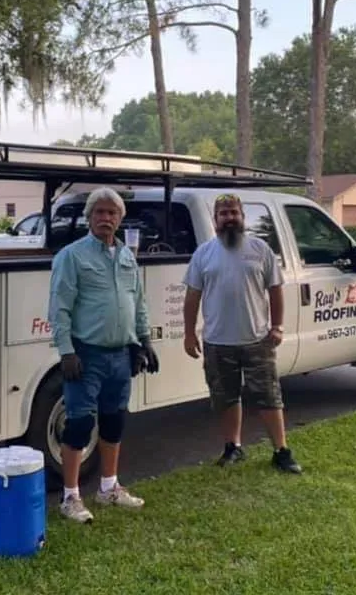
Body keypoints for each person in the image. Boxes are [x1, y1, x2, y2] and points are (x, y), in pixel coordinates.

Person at [48, 187, 160, 524]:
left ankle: (109, 488)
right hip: (86, 354)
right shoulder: (72, 256)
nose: (106, 218)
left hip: (120, 354)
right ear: (89, 217)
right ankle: (70, 497)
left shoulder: (127, 256)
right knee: (80, 424)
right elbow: (59, 308)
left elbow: (138, 302)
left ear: (120, 219)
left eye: (112, 213)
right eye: (99, 212)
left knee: (114, 421)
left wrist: (144, 341)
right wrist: (66, 351)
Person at [182, 193, 302, 474]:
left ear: (242, 217)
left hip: (257, 341)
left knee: (269, 397)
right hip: (216, 342)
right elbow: (192, 296)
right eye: (223, 214)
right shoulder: (203, 254)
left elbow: (275, 291)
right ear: (215, 220)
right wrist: (189, 334)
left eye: (234, 212)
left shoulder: (261, 250)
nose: (229, 218)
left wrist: (277, 326)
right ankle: (232, 447)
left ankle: (281, 451)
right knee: (226, 397)